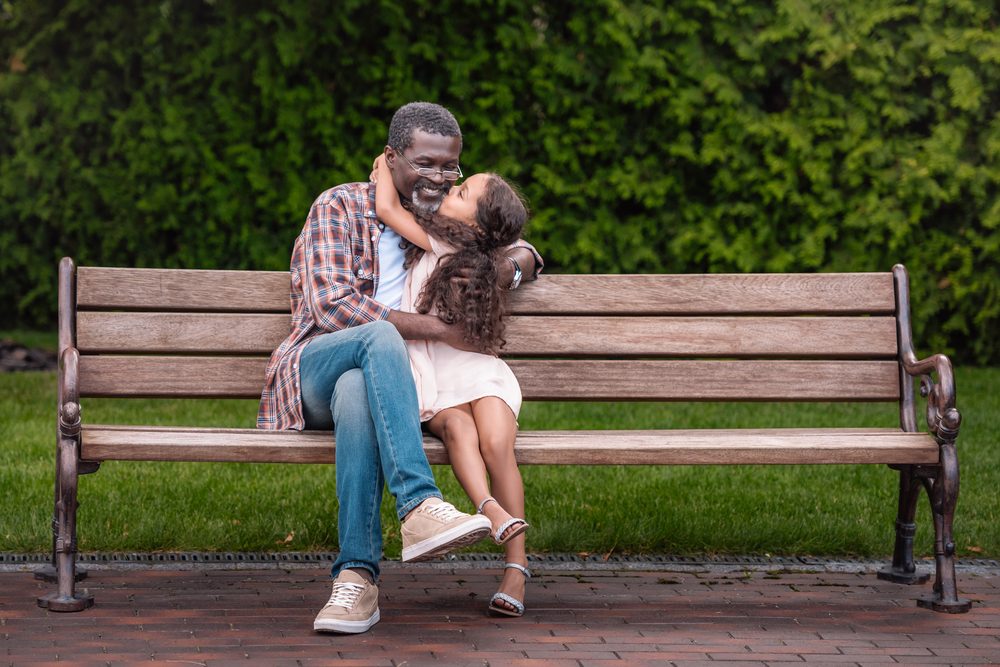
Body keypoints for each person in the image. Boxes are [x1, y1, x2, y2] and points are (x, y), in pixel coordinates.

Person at [257, 102, 542, 634]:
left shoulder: (434, 222)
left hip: (383, 388)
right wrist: (437, 329)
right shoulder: (339, 206)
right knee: (375, 340)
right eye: (425, 163)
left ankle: (357, 583)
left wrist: (511, 266)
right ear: (391, 158)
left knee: (358, 392)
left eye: (450, 168)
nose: (438, 177)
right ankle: (418, 504)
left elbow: (512, 239)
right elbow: (330, 308)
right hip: (318, 363)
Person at [372, 155, 533, 617]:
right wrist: (388, 164)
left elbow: (387, 207)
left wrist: (385, 165)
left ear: (480, 224)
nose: (449, 191)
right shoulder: (435, 237)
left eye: (462, 194)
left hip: (476, 370)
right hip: (435, 376)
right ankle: (488, 509)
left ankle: (516, 568)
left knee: (498, 443)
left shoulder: (472, 256)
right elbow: (389, 209)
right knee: (461, 432)